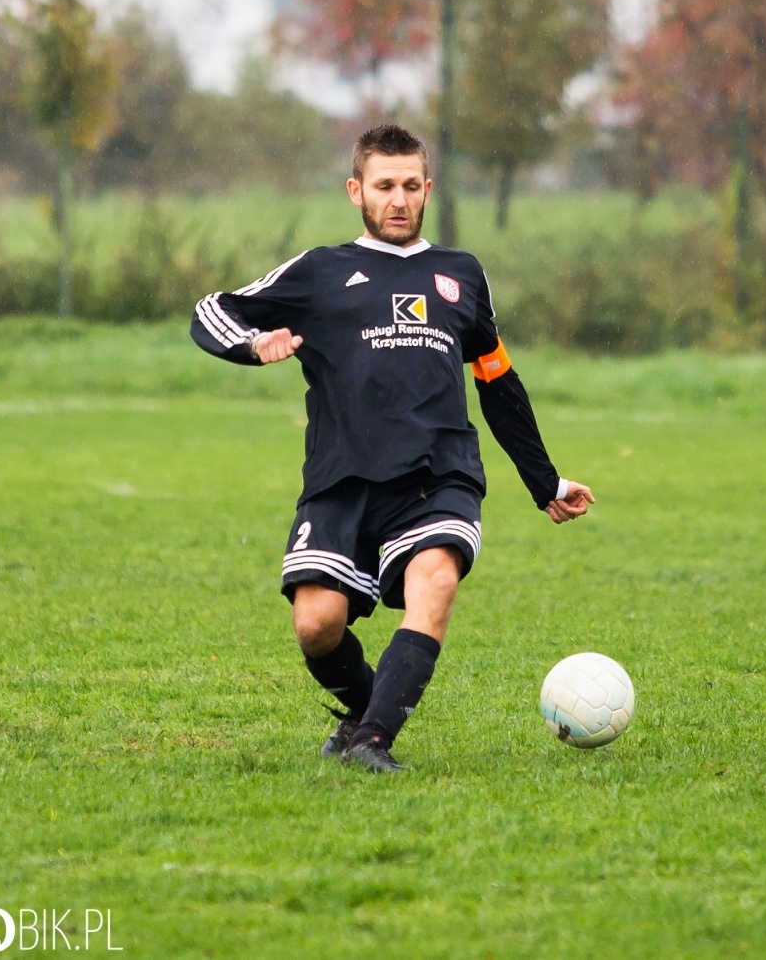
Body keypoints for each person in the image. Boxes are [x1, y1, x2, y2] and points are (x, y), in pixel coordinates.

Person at [191, 124, 594, 773]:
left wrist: (544, 481)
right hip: (342, 477)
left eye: (410, 185)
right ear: (357, 191)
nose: (399, 199)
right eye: (384, 186)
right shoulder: (321, 271)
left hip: (439, 473)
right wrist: (252, 343)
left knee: (435, 580)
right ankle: (362, 710)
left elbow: (496, 379)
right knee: (316, 625)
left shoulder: (461, 274)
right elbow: (213, 310)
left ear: (428, 188)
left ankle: (373, 741)